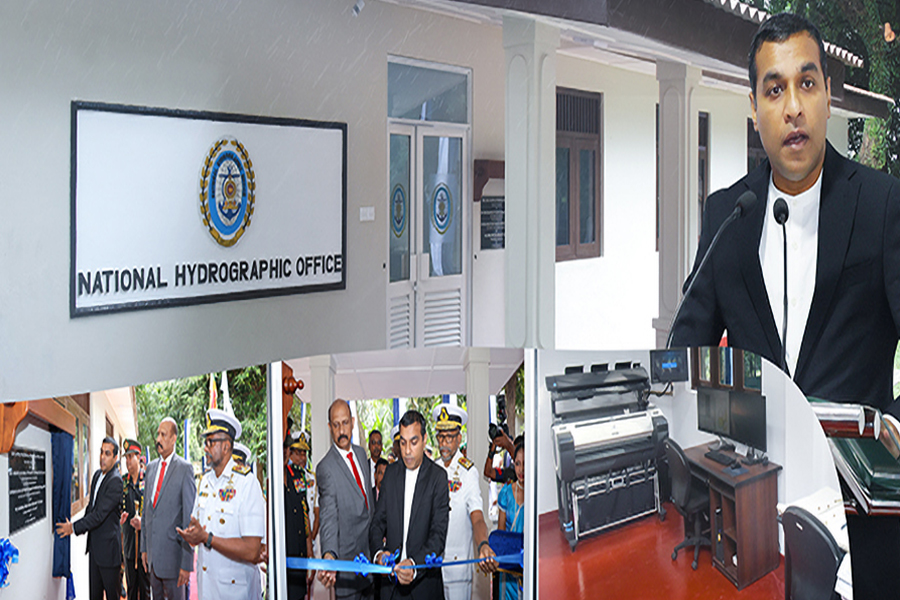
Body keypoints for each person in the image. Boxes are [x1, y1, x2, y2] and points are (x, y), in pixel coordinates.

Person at [668, 12, 900, 598]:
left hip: (865, 527)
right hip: (756, 526)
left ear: (826, 98)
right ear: (754, 107)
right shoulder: (729, 216)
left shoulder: (881, 204)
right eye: (774, 89)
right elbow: (686, 354)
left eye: (806, 83)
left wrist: (890, 433)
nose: (792, 107)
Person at [177, 409, 265, 600]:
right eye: (205, 443)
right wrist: (193, 536)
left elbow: (252, 550)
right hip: (207, 590)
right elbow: (199, 528)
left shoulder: (247, 484)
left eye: (210, 442)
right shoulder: (204, 481)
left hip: (234, 593)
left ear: (226, 447)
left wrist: (207, 538)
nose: (205, 448)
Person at [371, 410, 449, 600]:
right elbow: (377, 523)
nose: (407, 451)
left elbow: (438, 534)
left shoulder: (438, 478)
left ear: (424, 440)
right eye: (403, 442)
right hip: (391, 587)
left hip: (424, 587)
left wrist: (414, 565)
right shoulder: (390, 474)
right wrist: (379, 555)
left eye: (413, 442)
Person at [430, 403, 497, 600]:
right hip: (432, 567)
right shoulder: (432, 470)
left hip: (457, 570)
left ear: (459, 438)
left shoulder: (468, 473)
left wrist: (483, 543)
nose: (444, 443)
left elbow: (477, 517)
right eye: (441, 437)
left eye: (449, 437)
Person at [315, 399, 374, 600]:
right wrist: (329, 555)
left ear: (353, 422)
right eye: (336, 424)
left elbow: (369, 505)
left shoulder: (361, 453)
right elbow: (328, 516)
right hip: (348, 569)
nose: (342, 430)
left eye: (345, 422)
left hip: (371, 564)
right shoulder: (326, 468)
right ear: (330, 427)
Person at [56, 437, 123, 600]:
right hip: (95, 549)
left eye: (107, 454)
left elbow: (99, 515)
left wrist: (73, 527)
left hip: (108, 552)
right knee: (94, 595)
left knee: (112, 595)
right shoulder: (97, 475)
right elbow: (91, 508)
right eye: (101, 452)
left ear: (115, 458)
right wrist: (80, 525)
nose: (102, 457)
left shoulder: (116, 481)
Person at [140, 417, 195, 600]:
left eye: (163, 435)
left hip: (174, 562)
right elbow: (147, 513)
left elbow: (188, 520)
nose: (158, 439)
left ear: (173, 439)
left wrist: (186, 564)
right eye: (158, 434)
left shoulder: (185, 469)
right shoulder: (150, 469)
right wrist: (144, 549)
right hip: (153, 560)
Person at [284, 431, 314, 600]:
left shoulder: (299, 475)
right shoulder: (272, 477)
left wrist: (309, 553)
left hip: (299, 552)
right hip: (283, 551)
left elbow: (305, 512)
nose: (302, 457)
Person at [120, 439, 150, 600]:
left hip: (145, 547)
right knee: (131, 588)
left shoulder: (148, 480)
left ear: (139, 457)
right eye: (126, 457)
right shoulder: (123, 482)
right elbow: (118, 507)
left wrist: (142, 524)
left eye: (131, 457)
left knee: (145, 590)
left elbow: (154, 512)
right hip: (130, 546)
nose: (127, 461)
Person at [497, 440, 524, 600]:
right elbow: (501, 535)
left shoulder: (536, 497)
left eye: (525, 464)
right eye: (518, 463)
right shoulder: (506, 493)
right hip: (508, 569)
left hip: (529, 566)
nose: (521, 470)